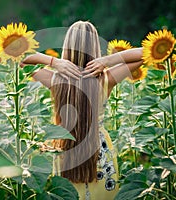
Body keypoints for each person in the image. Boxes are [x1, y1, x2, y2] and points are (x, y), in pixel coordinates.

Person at [22, 21, 143, 200]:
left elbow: (17, 57)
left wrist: (54, 62)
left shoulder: (55, 80)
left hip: (65, 149)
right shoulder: (106, 80)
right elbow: (147, 54)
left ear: (67, 46)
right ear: (95, 47)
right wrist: (107, 61)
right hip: (99, 149)